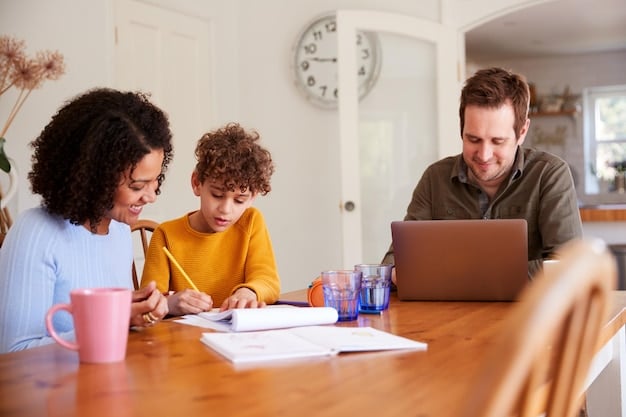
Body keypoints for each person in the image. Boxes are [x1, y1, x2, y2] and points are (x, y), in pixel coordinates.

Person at [0, 88, 173, 353]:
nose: (151, 197)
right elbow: (13, 354)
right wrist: (112, 321)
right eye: (138, 186)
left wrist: (136, 312)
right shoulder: (34, 234)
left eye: (155, 181)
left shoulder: (117, 233)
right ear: (95, 177)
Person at [382, 67, 582, 280]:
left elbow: (570, 265)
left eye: (498, 141)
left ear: (522, 132)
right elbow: (395, 262)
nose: (484, 155)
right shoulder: (435, 178)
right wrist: (396, 272)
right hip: (451, 311)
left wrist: (470, 275)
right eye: (473, 139)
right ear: (461, 130)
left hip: (531, 311)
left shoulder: (549, 175)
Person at [141, 123, 281, 316]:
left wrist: (249, 291)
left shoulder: (251, 221)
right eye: (217, 195)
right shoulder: (166, 235)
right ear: (197, 183)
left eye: (239, 200)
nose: (225, 209)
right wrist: (171, 303)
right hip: (184, 340)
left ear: (253, 197)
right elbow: (147, 303)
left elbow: (268, 281)